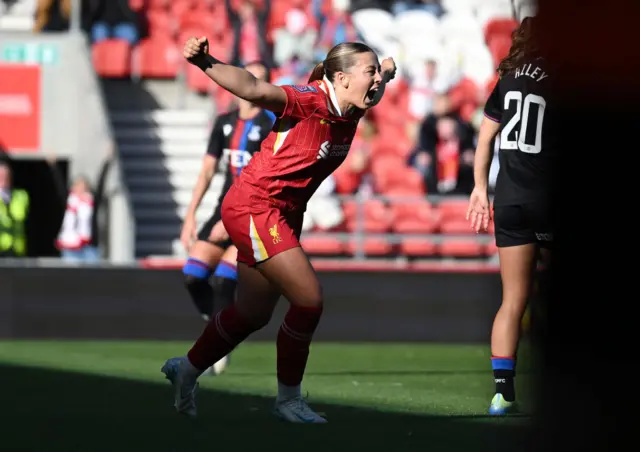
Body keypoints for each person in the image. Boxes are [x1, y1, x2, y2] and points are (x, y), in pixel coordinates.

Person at [162, 37, 396, 423]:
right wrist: (206, 61)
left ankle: (185, 369)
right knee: (308, 300)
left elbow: (379, 80)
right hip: (256, 206)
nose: (375, 82)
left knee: (252, 313)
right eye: (368, 73)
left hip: (284, 213)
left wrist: (383, 71)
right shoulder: (309, 100)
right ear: (340, 78)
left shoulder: (354, 101)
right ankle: (288, 400)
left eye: (375, 74)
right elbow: (253, 88)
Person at [466, 16, 554, 416]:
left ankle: (503, 394)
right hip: (546, 197)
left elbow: (485, 138)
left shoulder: (508, 79)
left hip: (511, 201)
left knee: (512, 300)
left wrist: (480, 189)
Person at [180, 61, 275, 375]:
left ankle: (215, 346)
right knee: (193, 276)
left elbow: (270, 179)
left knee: (223, 279)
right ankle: (218, 330)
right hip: (223, 208)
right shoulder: (224, 123)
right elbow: (207, 170)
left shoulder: (271, 124)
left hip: (253, 212)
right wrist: (190, 216)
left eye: (257, 80)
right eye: (247, 77)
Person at [0, 160, 29, 258]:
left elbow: (20, 216)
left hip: (16, 247)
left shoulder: (21, 195)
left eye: (6, 175)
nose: (3, 178)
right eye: (1, 176)